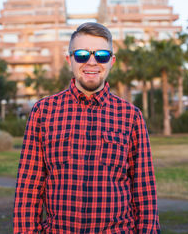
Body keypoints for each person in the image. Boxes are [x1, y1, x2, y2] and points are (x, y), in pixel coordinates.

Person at [13, 22, 160, 233]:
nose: (92, 62)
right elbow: (28, 189)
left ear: (111, 61)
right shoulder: (43, 112)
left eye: (101, 55)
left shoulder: (131, 116)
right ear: (69, 60)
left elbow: (144, 191)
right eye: (82, 54)